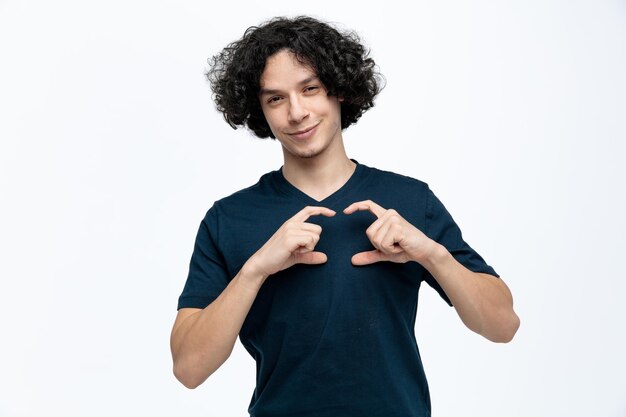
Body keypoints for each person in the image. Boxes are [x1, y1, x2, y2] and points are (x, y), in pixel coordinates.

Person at [170, 16, 520, 417]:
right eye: (276, 99)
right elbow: (189, 368)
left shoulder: (408, 200)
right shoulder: (229, 219)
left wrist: (431, 254)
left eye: (310, 89)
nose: (297, 112)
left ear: (338, 90)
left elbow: (503, 325)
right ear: (259, 110)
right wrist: (255, 271)